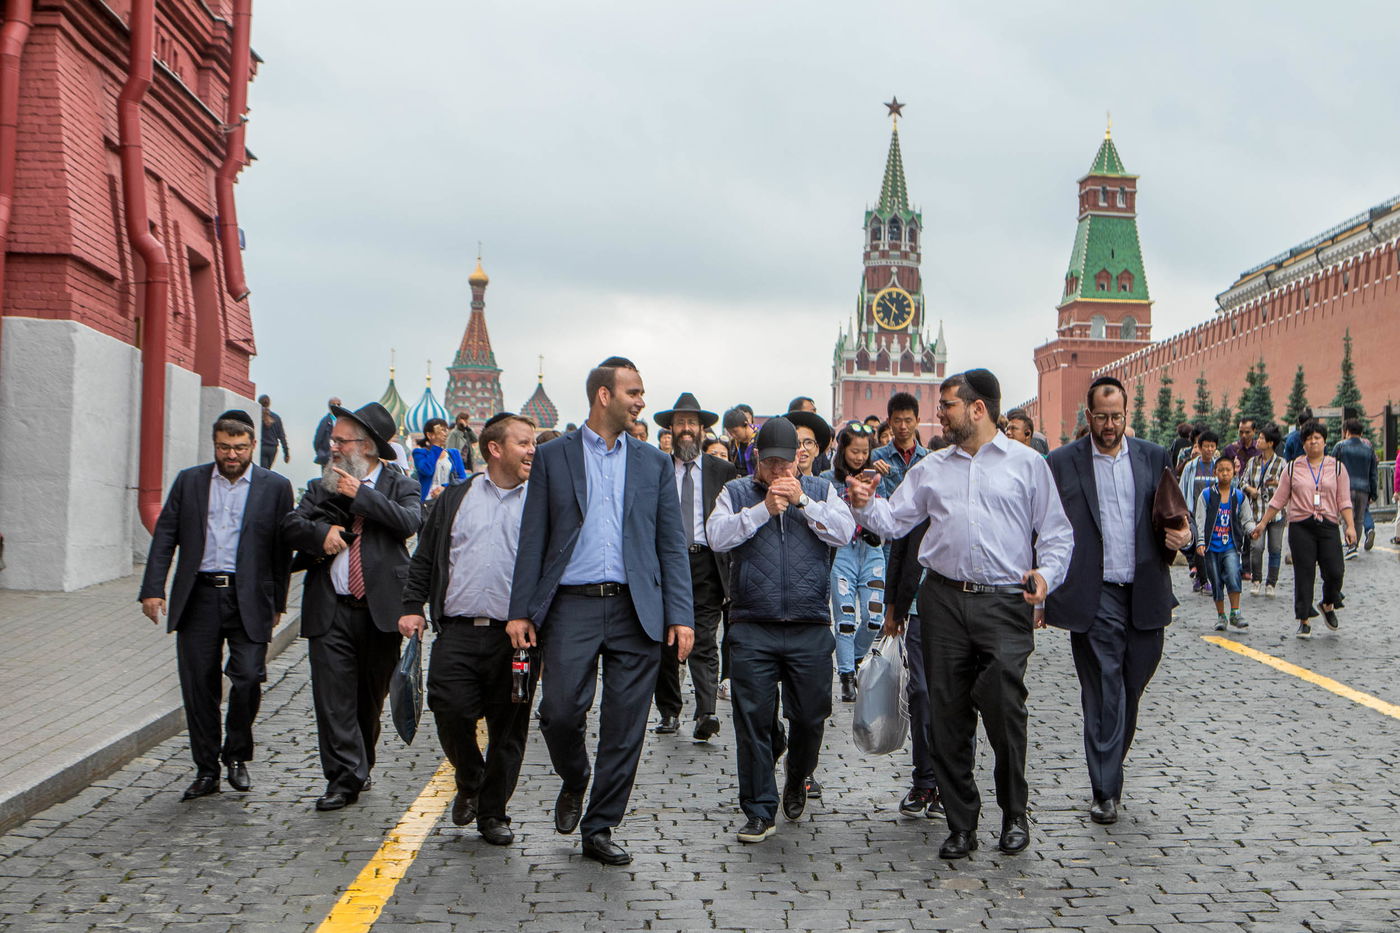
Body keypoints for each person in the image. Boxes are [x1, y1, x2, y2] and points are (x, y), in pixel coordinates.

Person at [848, 369, 1073, 860]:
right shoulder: (931, 469)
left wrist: (1046, 575)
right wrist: (865, 506)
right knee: (946, 715)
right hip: (943, 601)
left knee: (1004, 706)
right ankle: (961, 823)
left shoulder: (1028, 464)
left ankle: (1014, 813)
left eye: (947, 405)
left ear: (977, 409)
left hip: (1004, 603)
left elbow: (1056, 532)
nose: (939, 414)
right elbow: (894, 522)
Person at [506, 356, 693, 867]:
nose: (641, 401)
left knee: (625, 726)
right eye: (633, 392)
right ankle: (575, 776)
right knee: (559, 711)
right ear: (604, 396)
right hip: (572, 605)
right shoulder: (554, 457)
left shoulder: (653, 463)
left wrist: (681, 615)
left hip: (638, 609)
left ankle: (600, 826)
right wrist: (521, 609)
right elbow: (534, 538)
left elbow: (671, 545)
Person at [1042, 377, 1190, 826]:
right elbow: (1044, 525)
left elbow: (1175, 512)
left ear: (1128, 414)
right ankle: (1105, 789)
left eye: (1117, 417)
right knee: (1105, 690)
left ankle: (1110, 764)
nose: (1110, 426)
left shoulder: (1151, 456)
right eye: (1102, 417)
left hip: (1144, 589)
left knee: (1130, 685)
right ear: (1088, 416)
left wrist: (1185, 536)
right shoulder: (1062, 462)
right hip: (1093, 592)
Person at [707, 417, 854, 843]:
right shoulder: (735, 492)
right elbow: (717, 537)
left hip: (809, 622)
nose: (779, 473)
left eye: (786, 464)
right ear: (756, 460)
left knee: (810, 716)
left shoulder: (822, 491)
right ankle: (758, 809)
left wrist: (803, 503)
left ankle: (797, 775)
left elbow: (844, 531)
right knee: (751, 718)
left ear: (799, 460)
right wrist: (761, 510)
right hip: (752, 622)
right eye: (770, 464)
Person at [398, 413, 538, 846]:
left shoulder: (541, 504)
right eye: (523, 443)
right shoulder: (455, 498)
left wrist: (539, 622)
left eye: (534, 442)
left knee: (508, 727)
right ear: (494, 449)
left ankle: (494, 812)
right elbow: (426, 556)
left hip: (515, 639)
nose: (533, 450)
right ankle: (470, 775)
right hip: (457, 631)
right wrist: (412, 606)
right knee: (450, 710)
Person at [138, 410, 294, 801]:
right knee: (199, 686)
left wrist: (278, 601)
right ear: (215, 444)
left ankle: (236, 754)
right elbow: (166, 536)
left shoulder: (274, 486)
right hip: (199, 596)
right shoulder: (190, 482)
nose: (231, 455)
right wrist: (153, 588)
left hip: (249, 598)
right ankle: (206, 769)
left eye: (239, 448)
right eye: (224, 447)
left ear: (253, 446)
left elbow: (281, 548)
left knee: (247, 678)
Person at [281, 402, 422, 810]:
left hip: (380, 610)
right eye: (333, 440)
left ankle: (360, 764)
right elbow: (292, 525)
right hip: (331, 607)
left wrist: (362, 495)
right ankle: (342, 779)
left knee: (368, 699)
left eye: (341, 441)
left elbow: (409, 522)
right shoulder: (321, 484)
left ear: (368, 447)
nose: (334, 448)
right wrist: (321, 532)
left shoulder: (400, 484)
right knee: (333, 698)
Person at [651, 393, 736, 741]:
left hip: (706, 563)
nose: (686, 429)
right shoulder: (656, 468)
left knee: (703, 640)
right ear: (670, 429)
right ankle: (669, 711)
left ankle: (706, 712)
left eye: (692, 423)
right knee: (665, 641)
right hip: (666, 563)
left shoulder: (723, 471)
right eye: (680, 423)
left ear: (703, 429)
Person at [1254, 420, 1356, 638]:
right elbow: (1278, 499)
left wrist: (1350, 527)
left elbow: (1344, 500)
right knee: (1304, 572)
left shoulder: (1337, 467)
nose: (1313, 442)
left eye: (1317, 438)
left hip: (1328, 524)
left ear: (1325, 441)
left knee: (1335, 570)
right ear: (1303, 443)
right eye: (1309, 439)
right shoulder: (1293, 468)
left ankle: (1328, 602)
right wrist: (1263, 523)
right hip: (1301, 525)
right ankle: (1304, 619)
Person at [819, 421, 884, 702]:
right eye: (854, 451)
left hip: (872, 551)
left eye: (864, 451)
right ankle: (846, 675)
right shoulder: (827, 480)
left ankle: (855, 659)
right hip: (842, 552)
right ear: (842, 449)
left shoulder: (879, 476)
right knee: (845, 617)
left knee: (874, 617)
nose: (859, 457)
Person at [1193, 456, 1256, 632]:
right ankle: (1221, 616)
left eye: (1228, 470)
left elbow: (1247, 519)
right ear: (1215, 472)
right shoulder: (1206, 495)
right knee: (1216, 580)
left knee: (1233, 574)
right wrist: (1201, 541)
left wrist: (1253, 530)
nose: (1225, 473)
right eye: (1221, 470)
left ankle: (1235, 612)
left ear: (1234, 472)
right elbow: (1200, 520)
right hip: (1211, 547)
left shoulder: (1239, 496)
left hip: (1231, 546)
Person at [1242, 423, 1287, 597]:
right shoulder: (1253, 462)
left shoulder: (1282, 464)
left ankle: (1271, 583)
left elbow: (1289, 487)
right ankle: (1256, 580)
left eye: (1261, 438)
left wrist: (1278, 484)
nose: (1258, 440)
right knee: (1257, 547)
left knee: (1275, 548)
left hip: (1275, 515)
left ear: (1270, 443)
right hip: (1255, 512)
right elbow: (1242, 481)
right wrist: (1249, 489)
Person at [1178, 430, 1221, 594]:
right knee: (1198, 544)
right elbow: (1182, 489)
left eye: (1212, 446)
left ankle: (1204, 577)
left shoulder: (1218, 466)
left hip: (1213, 514)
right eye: (1206, 446)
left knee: (1211, 547)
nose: (1209, 449)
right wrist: (1182, 512)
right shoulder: (1191, 467)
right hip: (1193, 513)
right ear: (1200, 447)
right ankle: (1204, 581)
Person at [1331, 419, 1378, 557]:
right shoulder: (1368, 449)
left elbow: (1332, 468)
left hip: (1345, 487)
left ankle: (1351, 545)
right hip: (1364, 488)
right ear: (1361, 432)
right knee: (1359, 518)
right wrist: (1373, 493)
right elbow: (1373, 473)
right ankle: (1354, 543)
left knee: (1347, 517)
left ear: (1346, 431)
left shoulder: (1340, 447)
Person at [870, 392, 929, 499]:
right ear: (889, 422)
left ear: (917, 421)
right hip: (889, 514)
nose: (903, 426)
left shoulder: (929, 457)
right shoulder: (876, 457)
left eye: (908, 420)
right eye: (897, 420)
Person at [412, 417, 468, 503]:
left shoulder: (453, 454)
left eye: (446, 430)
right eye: (441, 430)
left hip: (448, 501)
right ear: (429, 435)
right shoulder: (419, 453)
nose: (445, 434)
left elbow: (462, 479)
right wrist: (436, 446)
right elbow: (427, 470)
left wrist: (445, 488)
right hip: (427, 503)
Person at [258, 395, 290, 469]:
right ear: (269, 403)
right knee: (267, 471)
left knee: (261, 470)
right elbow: (282, 437)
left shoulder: (257, 415)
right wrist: (286, 453)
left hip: (261, 447)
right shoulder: (276, 418)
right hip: (273, 449)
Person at [724, 407, 757, 477]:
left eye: (735, 431)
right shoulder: (733, 444)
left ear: (746, 424)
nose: (733, 435)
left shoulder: (759, 439)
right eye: (730, 433)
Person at [312, 397, 341, 466]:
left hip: (340, 456)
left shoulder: (342, 421)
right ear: (329, 406)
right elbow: (317, 441)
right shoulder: (325, 421)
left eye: (338, 404)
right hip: (327, 457)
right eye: (333, 404)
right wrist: (322, 453)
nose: (336, 406)